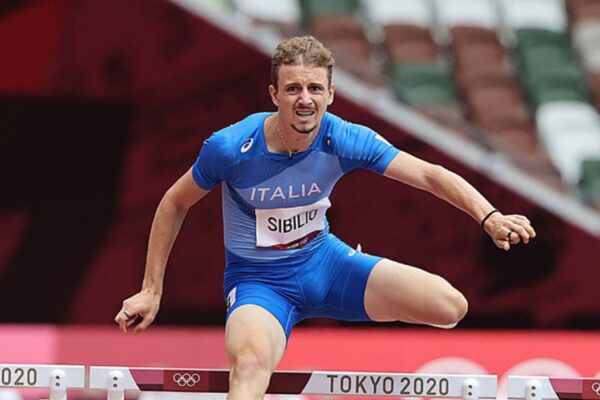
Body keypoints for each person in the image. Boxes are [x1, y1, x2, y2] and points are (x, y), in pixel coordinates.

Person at [115, 36, 536, 399]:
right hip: (260, 284)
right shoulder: (230, 148)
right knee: (246, 371)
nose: (305, 99)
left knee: (450, 307)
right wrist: (151, 290)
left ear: (331, 94)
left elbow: (429, 174)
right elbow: (174, 202)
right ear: (273, 94)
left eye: (315, 88)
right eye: (293, 88)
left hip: (327, 266)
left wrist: (490, 216)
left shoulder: (344, 138)